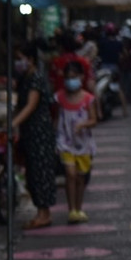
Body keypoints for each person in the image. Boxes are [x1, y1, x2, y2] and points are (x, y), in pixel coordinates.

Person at [10, 39, 61, 230]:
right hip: (29, 132)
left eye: (20, 58)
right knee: (32, 172)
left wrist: (12, 123)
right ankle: (41, 213)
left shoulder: (36, 78)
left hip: (40, 132)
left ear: (30, 59)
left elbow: (31, 105)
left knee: (41, 172)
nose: (17, 63)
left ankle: (44, 214)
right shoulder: (25, 78)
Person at [55, 61, 98, 224]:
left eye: (73, 77)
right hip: (65, 142)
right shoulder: (59, 97)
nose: (70, 81)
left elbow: (94, 120)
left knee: (80, 178)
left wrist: (83, 124)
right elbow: (56, 119)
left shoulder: (88, 99)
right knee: (70, 174)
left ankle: (78, 209)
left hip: (84, 144)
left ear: (81, 77)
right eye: (67, 78)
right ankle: (71, 209)